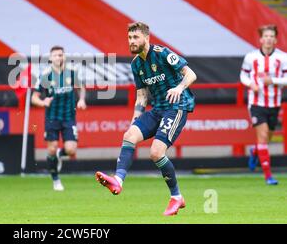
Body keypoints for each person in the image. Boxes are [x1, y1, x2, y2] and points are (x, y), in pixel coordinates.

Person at [95, 22, 197, 216]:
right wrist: (135, 118)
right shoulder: (136, 64)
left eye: (136, 37)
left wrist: (178, 88)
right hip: (158, 109)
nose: (132, 41)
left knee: (156, 152)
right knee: (129, 134)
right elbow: (142, 96)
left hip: (177, 107)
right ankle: (118, 180)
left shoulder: (163, 53)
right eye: (129, 38)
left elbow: (191, 74)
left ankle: (176, 197)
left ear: (146, 38)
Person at [31, 46, 86, 191]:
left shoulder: (72, 73)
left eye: (61, 55)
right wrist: (43, 102)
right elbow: (34, 98)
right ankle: (55, 179)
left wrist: (81, 100)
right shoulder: (45, 76)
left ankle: (59, 155)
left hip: (69, 117)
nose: (59, 58)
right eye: (55, 55)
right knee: (51, 148)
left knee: (71, 150)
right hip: (52, 118)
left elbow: (81, 88)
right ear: (50, 58)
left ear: (64, 57)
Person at [240, 24, 286, 185]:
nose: (268, 39)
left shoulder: (282, 58)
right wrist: (251, 84)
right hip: (256, 103)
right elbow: (243, 76)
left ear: (275, 40)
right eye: (266, 36)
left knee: (267, 138)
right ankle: (268, 176)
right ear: (261, 39)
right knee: (264, 135)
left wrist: (273, 80)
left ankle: (255, 150)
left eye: (271, 36)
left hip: (274, 103)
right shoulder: (251, 57)